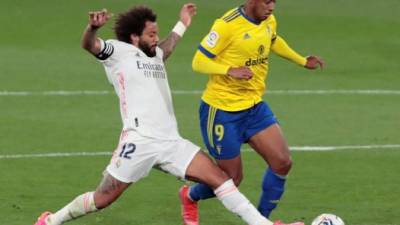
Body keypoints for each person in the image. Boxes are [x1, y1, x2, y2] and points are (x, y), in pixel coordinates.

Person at [33, 3, 304, 225]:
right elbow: (89, 45)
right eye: (151, 34)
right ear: (134, 37)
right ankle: (50, 220)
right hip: (138, 141)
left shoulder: (155, 55)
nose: (156, 38)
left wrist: (183, 22)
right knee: (102, 199)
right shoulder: (119, 52)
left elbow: (170, 44)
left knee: (222, 179)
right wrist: (92, 28)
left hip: (171, 142)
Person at [179, 0, 324, 224]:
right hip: (222, 111)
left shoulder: (268, 20)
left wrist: (302, 60)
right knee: (231, 179)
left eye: (274, 2)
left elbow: (273, 40)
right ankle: (189, 196)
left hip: (254, 107)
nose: (272, 7)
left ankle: (262, 220)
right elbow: (198, 61)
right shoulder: (227, 25)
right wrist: (229, 70)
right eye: (267, 2)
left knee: (282, 162)